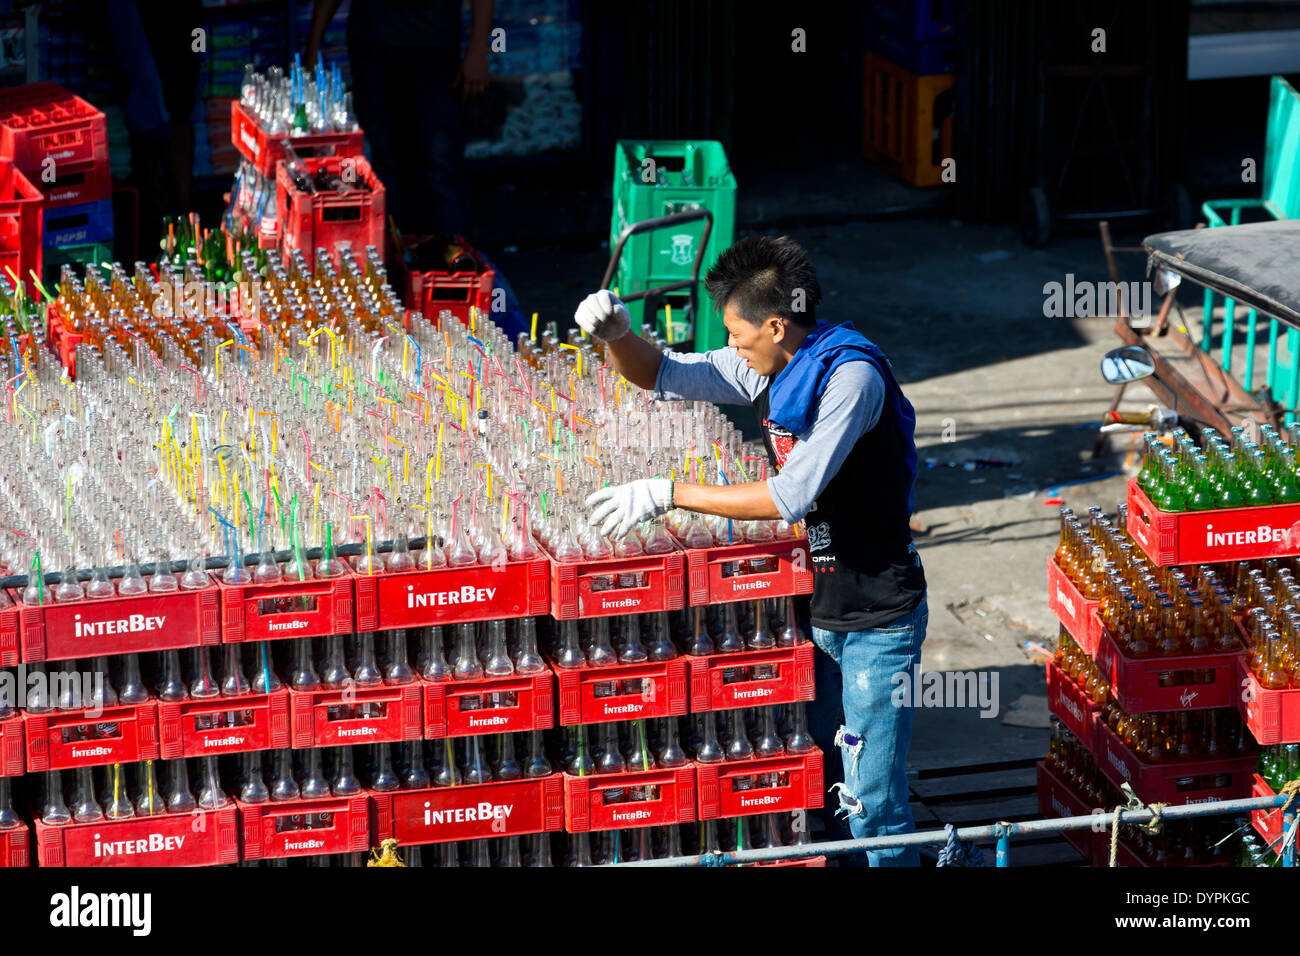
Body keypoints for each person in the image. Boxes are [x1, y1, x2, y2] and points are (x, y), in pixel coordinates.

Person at [577, 235, 928, 866]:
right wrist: (619, 334)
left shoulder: (851, 378)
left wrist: (671, 491)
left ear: (775, 324)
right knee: (822, 773)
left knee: (874, 801)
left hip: (879, 612)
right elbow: (661, 373)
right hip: (818, 603)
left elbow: (791, 494)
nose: (732, 347)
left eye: (737, 335)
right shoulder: (770, 362)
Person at [307, 0, 494, 241]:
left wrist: (482, 49)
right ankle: (392, 258)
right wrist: (313, 48)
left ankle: (455, 263)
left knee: (440, 164)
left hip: (434, 51)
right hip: (372, 49)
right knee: (381, 166)